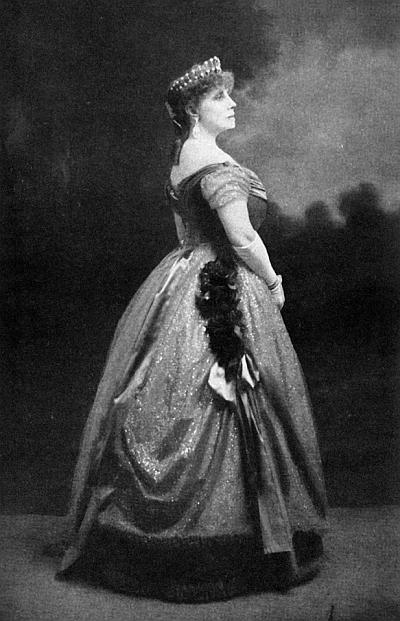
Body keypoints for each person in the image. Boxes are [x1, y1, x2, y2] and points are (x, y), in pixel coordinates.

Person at [57, 56, 328, 602]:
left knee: (166, 390)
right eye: (218, 98)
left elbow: (189, 233)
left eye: (229, 95)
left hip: (182, 275)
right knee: (225, 394)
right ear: (193, 110)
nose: (232, 103)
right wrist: (273, 281)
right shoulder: (215, 163)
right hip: (222, 282)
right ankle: (233, 543)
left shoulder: (183, 157)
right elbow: (242, 238)